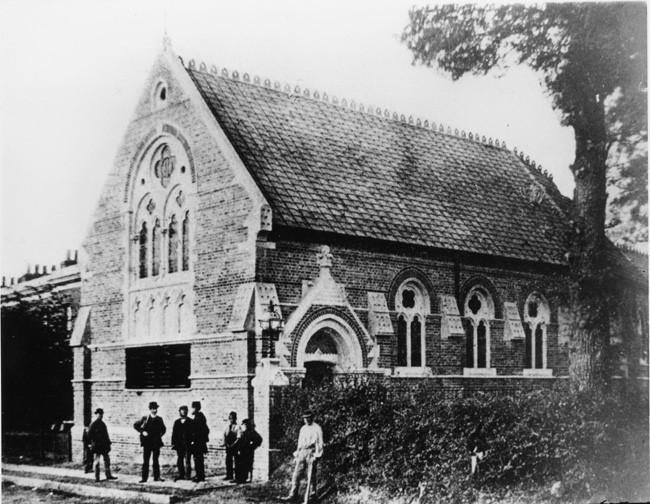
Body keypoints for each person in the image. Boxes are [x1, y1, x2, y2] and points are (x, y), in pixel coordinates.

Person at [282, 410, 323, 502]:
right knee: (296, 474)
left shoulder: (317, 428)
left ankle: (312, 496)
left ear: (312, 418)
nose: (306, 420)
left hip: (311, 452)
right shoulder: (303, 428)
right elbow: (299, 443)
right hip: (302, 452)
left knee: (311, 475)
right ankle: (293, 494)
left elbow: (319, 443)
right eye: (305, 418)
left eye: (308, 417)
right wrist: (297, 455)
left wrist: (316, 455)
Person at [133, 401, 167, 483]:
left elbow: (164, 429)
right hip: (147, 443)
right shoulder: (145, 418)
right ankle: (144, 478)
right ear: (150, 409)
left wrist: (159, 436)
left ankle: (157, 477)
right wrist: (142, 432)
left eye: (155, 408)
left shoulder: (159, 419)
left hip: (156, 443)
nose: (154, 410)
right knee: (146, 461)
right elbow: (135, 425)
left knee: (156, 460)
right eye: (152, 409)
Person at [87, 408, 117, 482]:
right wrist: (90, 444)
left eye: (101, 414)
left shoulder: (103, 424)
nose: (100, 415)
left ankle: (108, 475)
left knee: (107, 460)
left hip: (104, 446)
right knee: (97, 461)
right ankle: (97, 477)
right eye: (99, 414)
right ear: (96, 414)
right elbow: (88, 436)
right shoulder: (93, 424)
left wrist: (109, 443)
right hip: (97, 446)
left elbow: (106, 435)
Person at [233, 419, 262, 484]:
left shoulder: (252, 432)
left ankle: (243, 479)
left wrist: (252, 446)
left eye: (243, 424)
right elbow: (240, 442)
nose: (242, 426)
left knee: (245, 466)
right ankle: (238, 478)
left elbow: (259, 439)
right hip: (241, 452)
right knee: (239, 465)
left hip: (247, 452)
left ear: (247, 425)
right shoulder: (244, 432)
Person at [171, 405, 194, 481]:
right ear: (179, 412)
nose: (183, 412)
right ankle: (181, 474)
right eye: (182, 410)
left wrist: (192, 441)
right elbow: (174, 433)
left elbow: (193, 433)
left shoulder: (190, 421)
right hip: (179, 445)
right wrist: (174, 443)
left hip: (188, 444)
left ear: (187, 412)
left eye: (185, 410)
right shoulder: (177, 422)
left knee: (187, 460)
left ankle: (188, 475)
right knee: (179, 460)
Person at [190, 401, 210, 482]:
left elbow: (202, 430)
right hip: (199, 442)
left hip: (198, 443)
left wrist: (195, 440)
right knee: (198, 459)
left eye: (194, 407)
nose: (193, 409)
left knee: (198, 459)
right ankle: (199, 475)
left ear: (197, 408)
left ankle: (200, 476)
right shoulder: (199, 416)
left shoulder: (199, 417)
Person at [223, 411, 239, 481]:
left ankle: (237, 476)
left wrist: (233, 444)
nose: (231, 420)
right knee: (228, 461)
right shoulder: (228, 427)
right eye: (230, 418)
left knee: (236, 461)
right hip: (228, 447)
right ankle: (229, 475)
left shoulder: (237, 427)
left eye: (232, 418)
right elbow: (224, 435)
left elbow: (238, 437)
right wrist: (225, 443)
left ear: (235, 419)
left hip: (235, 447)